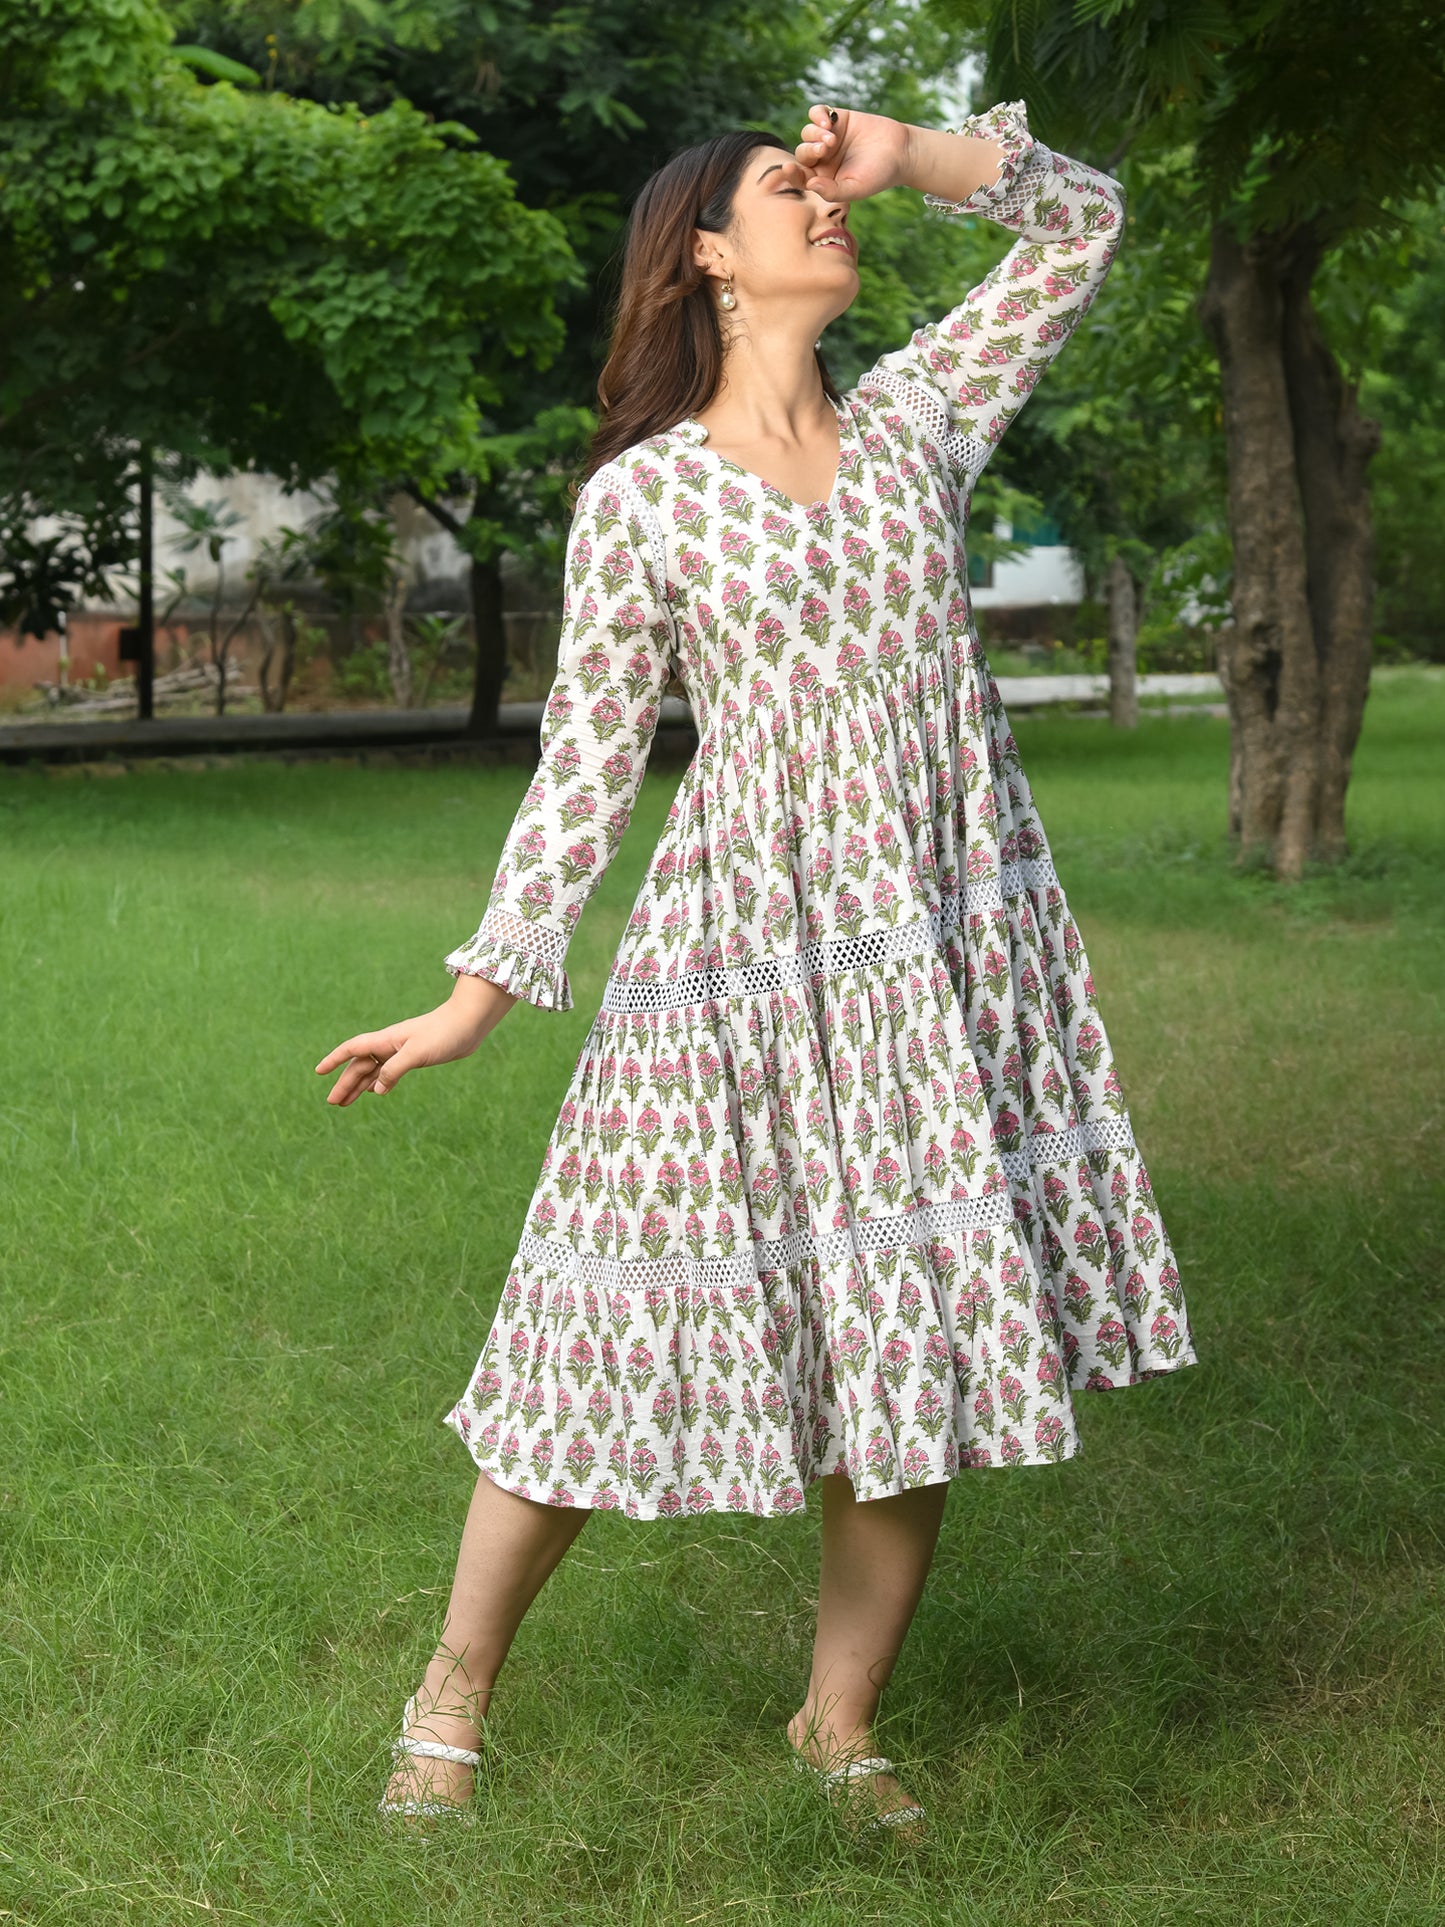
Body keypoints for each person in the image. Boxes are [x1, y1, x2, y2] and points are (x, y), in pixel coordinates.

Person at [317, 96, 1199, 1841]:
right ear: (706, 255)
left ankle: (834, 1722)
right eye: (786, 193)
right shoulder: (642, 498)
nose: (824, 208)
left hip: (930, 958)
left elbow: (1081, 223)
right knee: (598, 1318)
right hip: (726, 966)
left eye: (824, 185)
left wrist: (907, 155)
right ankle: (453, 1691)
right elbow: (584, 764)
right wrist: (475, 996)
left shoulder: (917, 421)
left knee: (908, 1327)